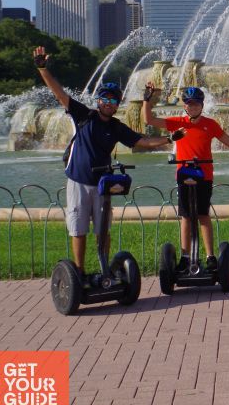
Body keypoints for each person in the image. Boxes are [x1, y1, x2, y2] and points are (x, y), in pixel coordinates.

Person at [32, 46, 177, 282]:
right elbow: (59, 94)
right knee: (78, 229)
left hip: (102, 183)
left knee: (103, 230)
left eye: (114, 100)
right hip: (79, 181)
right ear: (99, 100)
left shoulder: (116, 126)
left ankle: (104, 269)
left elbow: (142, 140)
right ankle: (78, 272)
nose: (109, 103)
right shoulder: (84, 115)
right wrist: (42, 68)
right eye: (105, 99)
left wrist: (169, 138)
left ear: (118, 104)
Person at [143, 82, 229, 272]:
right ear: (185, 106)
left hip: (204, 176)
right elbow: (149, 120)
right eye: (189, 104)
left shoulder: (210, 124)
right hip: (184, 175)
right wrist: (147, 100)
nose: (193, 107)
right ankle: (185, 256)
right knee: (186, 217)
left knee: (203, 215)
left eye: (196, 104)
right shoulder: (177, 123)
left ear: (202, 105)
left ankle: (210, 256)